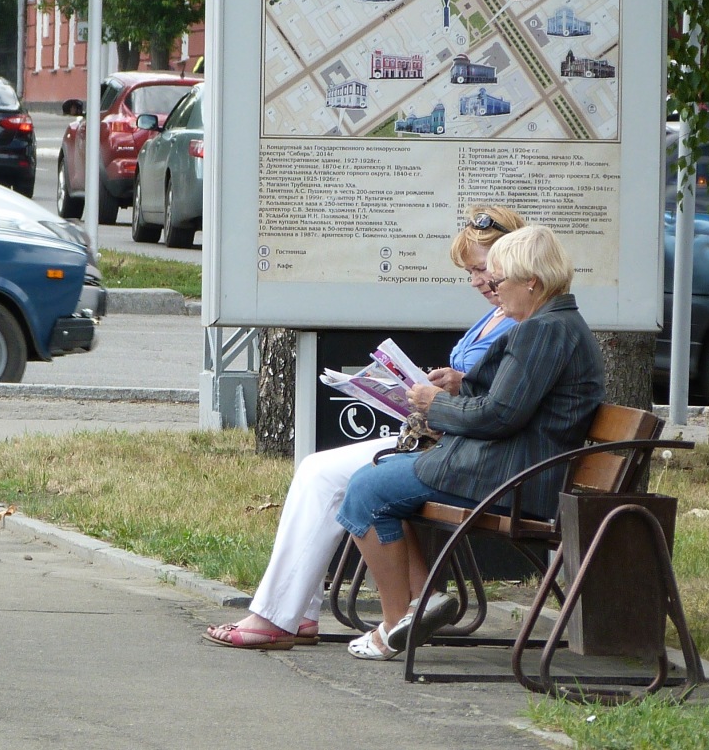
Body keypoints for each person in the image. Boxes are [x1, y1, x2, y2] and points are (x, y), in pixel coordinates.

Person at [202, 206, 527, 651]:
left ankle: (281, 616)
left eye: (482, 269)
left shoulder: (522, 319)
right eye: (471, 271)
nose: (476, 281)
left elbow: (502, 397)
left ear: (513, 261)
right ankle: (295, 613)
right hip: (440, 437)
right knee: (318, 469)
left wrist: (459, 386)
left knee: (325, 476)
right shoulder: (496, 316)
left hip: (459, 449)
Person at [335, 224, 604, 661]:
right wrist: (457, 391)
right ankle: (420, 605)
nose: (494, 291)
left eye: (500, 281)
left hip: (512, 477)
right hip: (514, 468)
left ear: (531, 282)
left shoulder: (543, 330)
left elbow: (500, 415)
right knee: (376, 481)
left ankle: (394, 624)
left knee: (367, 490)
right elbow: (508, 402)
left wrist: (436, 404)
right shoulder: (553, 325)